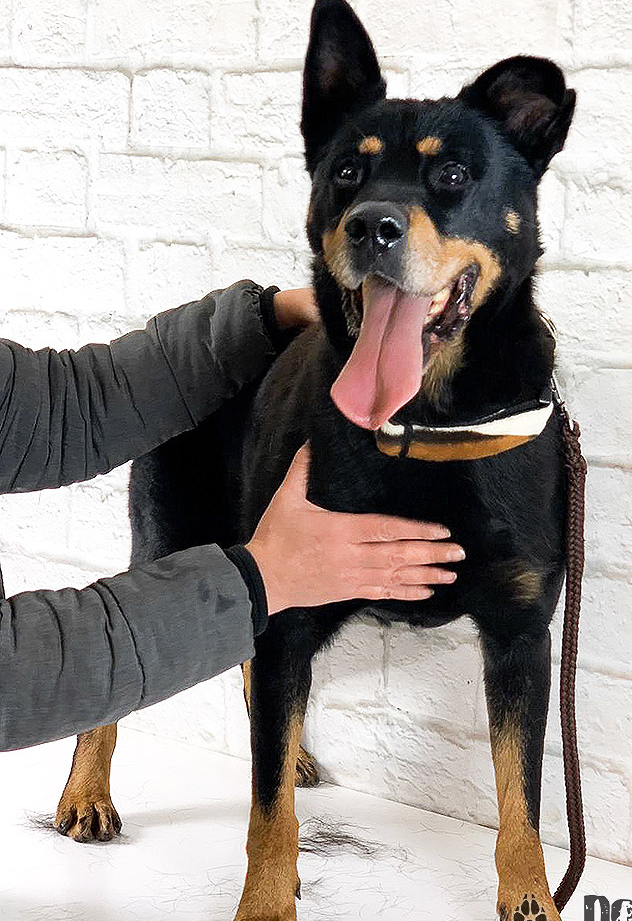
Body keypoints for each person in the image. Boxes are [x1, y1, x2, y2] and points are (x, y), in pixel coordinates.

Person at [0, 282, 462, 752]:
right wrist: (259, 581)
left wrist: (269, 315)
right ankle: (93, 755)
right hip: (202, 460)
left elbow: (60, 404)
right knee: (164, 564)